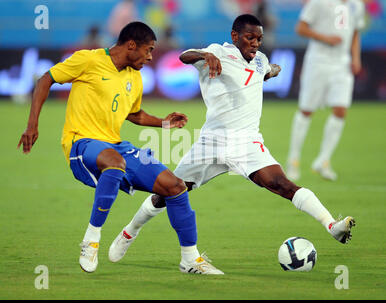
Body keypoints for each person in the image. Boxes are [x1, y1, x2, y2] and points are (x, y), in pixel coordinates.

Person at [108, 14, 356, 273]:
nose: (255, 43)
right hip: (211, 142)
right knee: (168, 193)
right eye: (250, 37)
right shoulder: (218, 52)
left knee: (282, 184)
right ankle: (129, 232)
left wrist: (271, 71)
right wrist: (206, 57)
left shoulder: (259, 60)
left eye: (259, 38)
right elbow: (185, 56)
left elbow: (257, 74)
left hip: (246, 142)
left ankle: (332, 226)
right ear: (235, 36)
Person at [17, 21, 223, 275]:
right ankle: (91, 241)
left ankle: (190, 259)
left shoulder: (134, 77)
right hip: (81, 143)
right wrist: (32, 125)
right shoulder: (88, 60)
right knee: (115, 162)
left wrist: (164, 123)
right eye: (148, 50)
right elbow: (45, 79)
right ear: (131, 45)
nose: (150, 57)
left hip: (115, 145)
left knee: (175, 186)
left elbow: (134, 115)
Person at [286, 0, 365, 181]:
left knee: (340, 110)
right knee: (306, 110)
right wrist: (325, 38)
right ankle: (293, 160)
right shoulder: (319, 2)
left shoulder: (356, 5)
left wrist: (355, 58)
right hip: (318, 62)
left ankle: (323, 160)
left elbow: (354, 32)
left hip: (342, 64)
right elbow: (301, 28)